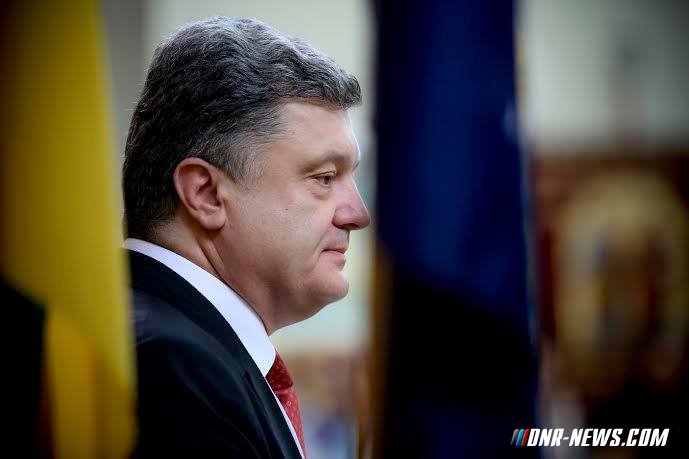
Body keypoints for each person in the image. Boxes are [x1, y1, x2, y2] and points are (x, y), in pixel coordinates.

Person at [122, 17, 370, 458]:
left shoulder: (184, 346)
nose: (358, 214)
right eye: (324, 177)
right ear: (206, 194)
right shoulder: (173, 369)